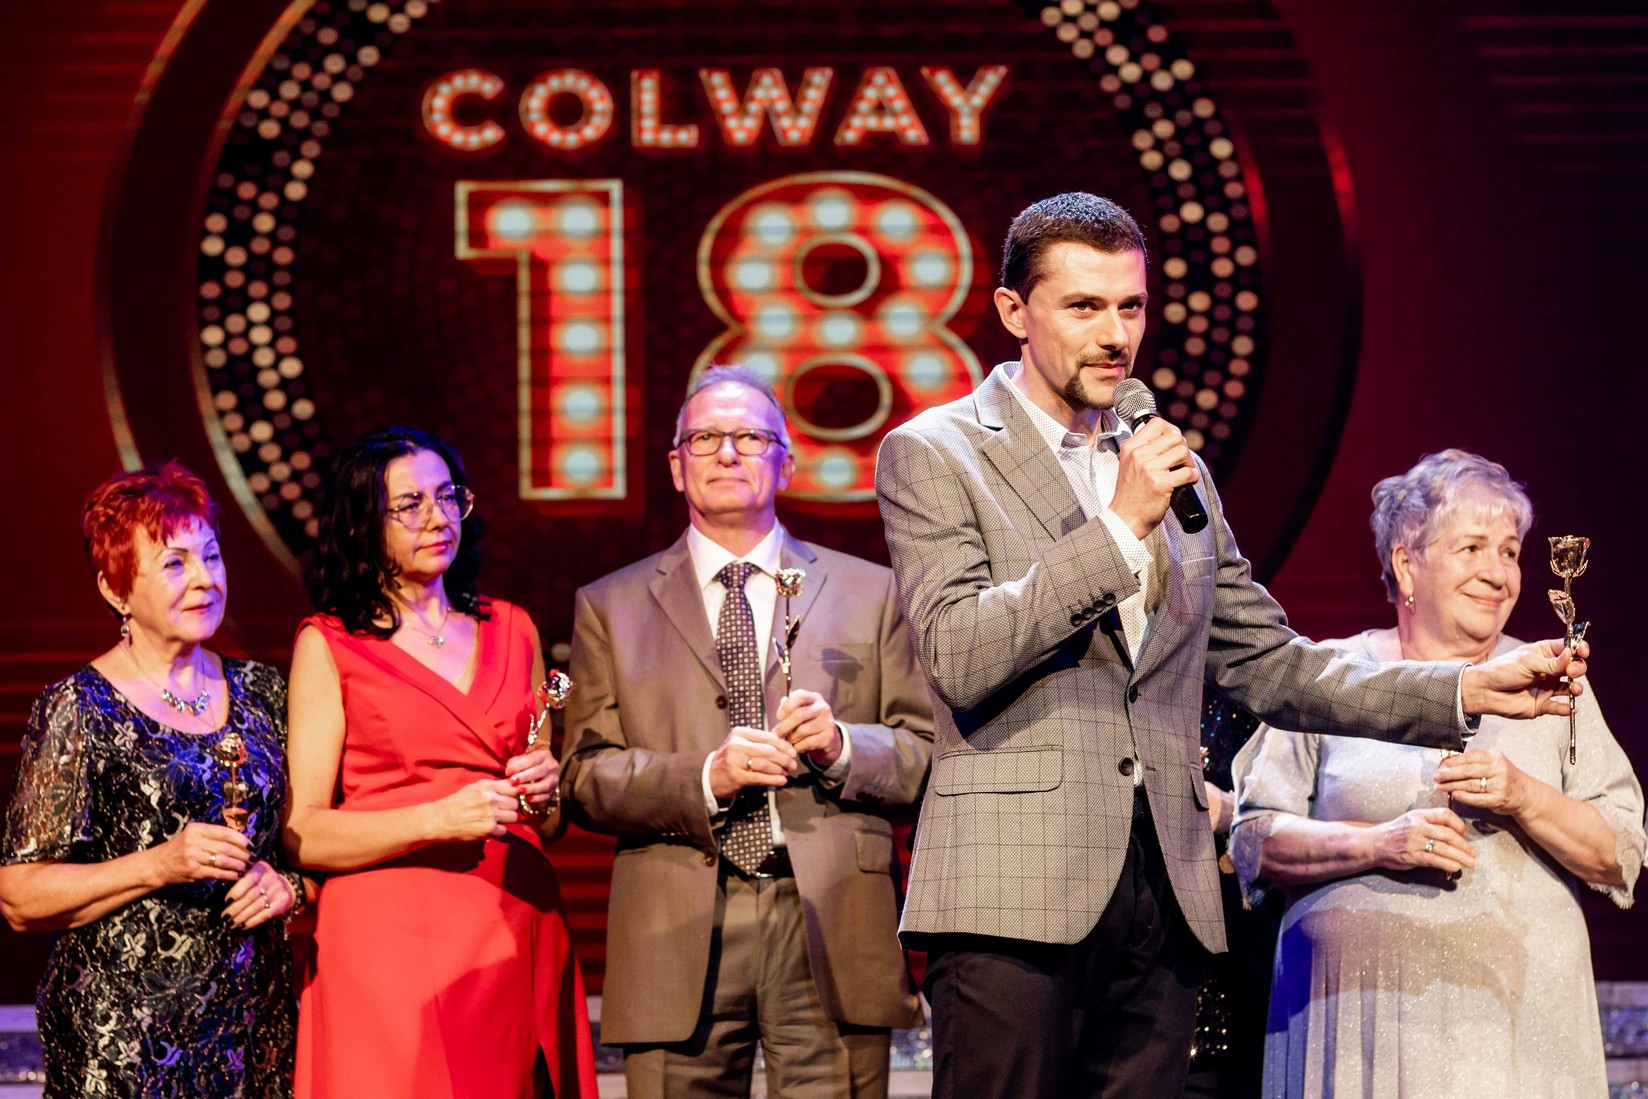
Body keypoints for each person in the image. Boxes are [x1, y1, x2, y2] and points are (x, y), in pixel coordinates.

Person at [873, 191, 1591, 1099]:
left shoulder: (1176, 469)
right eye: (1084, 307)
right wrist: (1117, 527)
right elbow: (959, 651)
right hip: (1011, 895)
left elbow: (1272, 663)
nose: (1115, 335)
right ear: (1015, 312)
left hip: (1164, 898)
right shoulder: (936, 452)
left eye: (1131, 307)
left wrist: (1462, 689)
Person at [561, 365, 934, 1099]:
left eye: (750, 437)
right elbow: (583, 775)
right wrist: (707, 777)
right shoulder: (610, 605)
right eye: (705, 438)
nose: (727, 452)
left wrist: (842, 747)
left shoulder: (872, 591)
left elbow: (926, 755)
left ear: (786, 463)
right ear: (676, 466)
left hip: (829, 914)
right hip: (675, 916)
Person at [1229, 449, 1644, 1098]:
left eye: (1509, 552)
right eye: (1472, 547)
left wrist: (1524, 796)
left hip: (1520, 1037)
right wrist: (1376, 844)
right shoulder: (1329, 680)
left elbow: (1622, 856)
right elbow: (1253, 841)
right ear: (1406, 563)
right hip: (1354, 1031)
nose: (1497, 572)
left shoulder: (1553, 683)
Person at [284, 427, 597, 1099]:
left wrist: (546, 791)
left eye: (448, 496)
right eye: (410, 504)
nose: (437, 517)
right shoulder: (330, 642)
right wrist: (437, 818)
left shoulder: (513, 627)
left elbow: (546, 819)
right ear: (362, 523)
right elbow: (303, 831)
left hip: (514, 922)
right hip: (388, 940)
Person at [0, 461, 300, 1098]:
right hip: (124, 1050)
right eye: (174, 564)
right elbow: (19, 896)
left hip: (254, 1038)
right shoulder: (79, 707)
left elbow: (310, 845)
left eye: (211, 557)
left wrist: (289, 888)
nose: (204, 579)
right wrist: (161, 863)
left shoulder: (263, 691)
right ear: (115, 589)